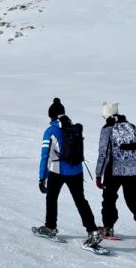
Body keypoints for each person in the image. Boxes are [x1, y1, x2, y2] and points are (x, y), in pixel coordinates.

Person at [35, 98, 103, 251]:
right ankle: (92, 231)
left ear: (50, 115)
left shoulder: (50, 131)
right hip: (77, 170)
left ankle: (50, 227)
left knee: (51, 197)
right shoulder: (72, 126)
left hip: (58, 171)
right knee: (80, 200)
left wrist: (42, 178)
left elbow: (45, 155)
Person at [94, 101, 136, 243]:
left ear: (106, 115)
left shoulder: (107, 129)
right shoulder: (130, 126)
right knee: (134, 201)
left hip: (113, 171)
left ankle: (108, 228)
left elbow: (103, 154)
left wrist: (98, 175)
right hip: (133, 171)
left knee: (109, 199)